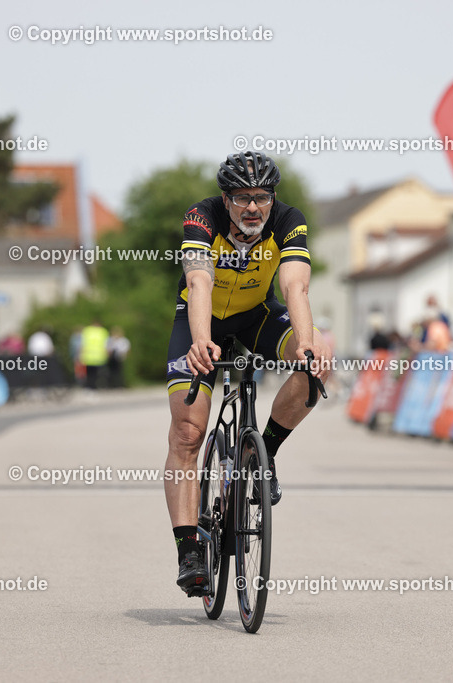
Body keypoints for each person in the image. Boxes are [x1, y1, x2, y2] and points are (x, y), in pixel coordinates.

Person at [165, 151, 332, 595]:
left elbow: (295, 284)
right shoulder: (202, 217)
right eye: (242, 198)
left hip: (256, 315)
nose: (253, 207)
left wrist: (308, 342)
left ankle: (264, 454)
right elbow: (199, 281)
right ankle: (189, 553)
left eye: (262, 196)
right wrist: (202, 340)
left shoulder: (288, 219)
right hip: (199, 319)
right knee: (187, 432)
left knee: (320, 356)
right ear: (227, 198)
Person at [80, 318, 109, 389]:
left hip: (89, 356)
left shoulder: (87, 330)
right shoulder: (103, 331)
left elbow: (82, 344)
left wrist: (81, 354)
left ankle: (90, 387)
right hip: (98, 356)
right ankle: (93, 386)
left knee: (90, 374)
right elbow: (106, 344)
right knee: (95, 374)